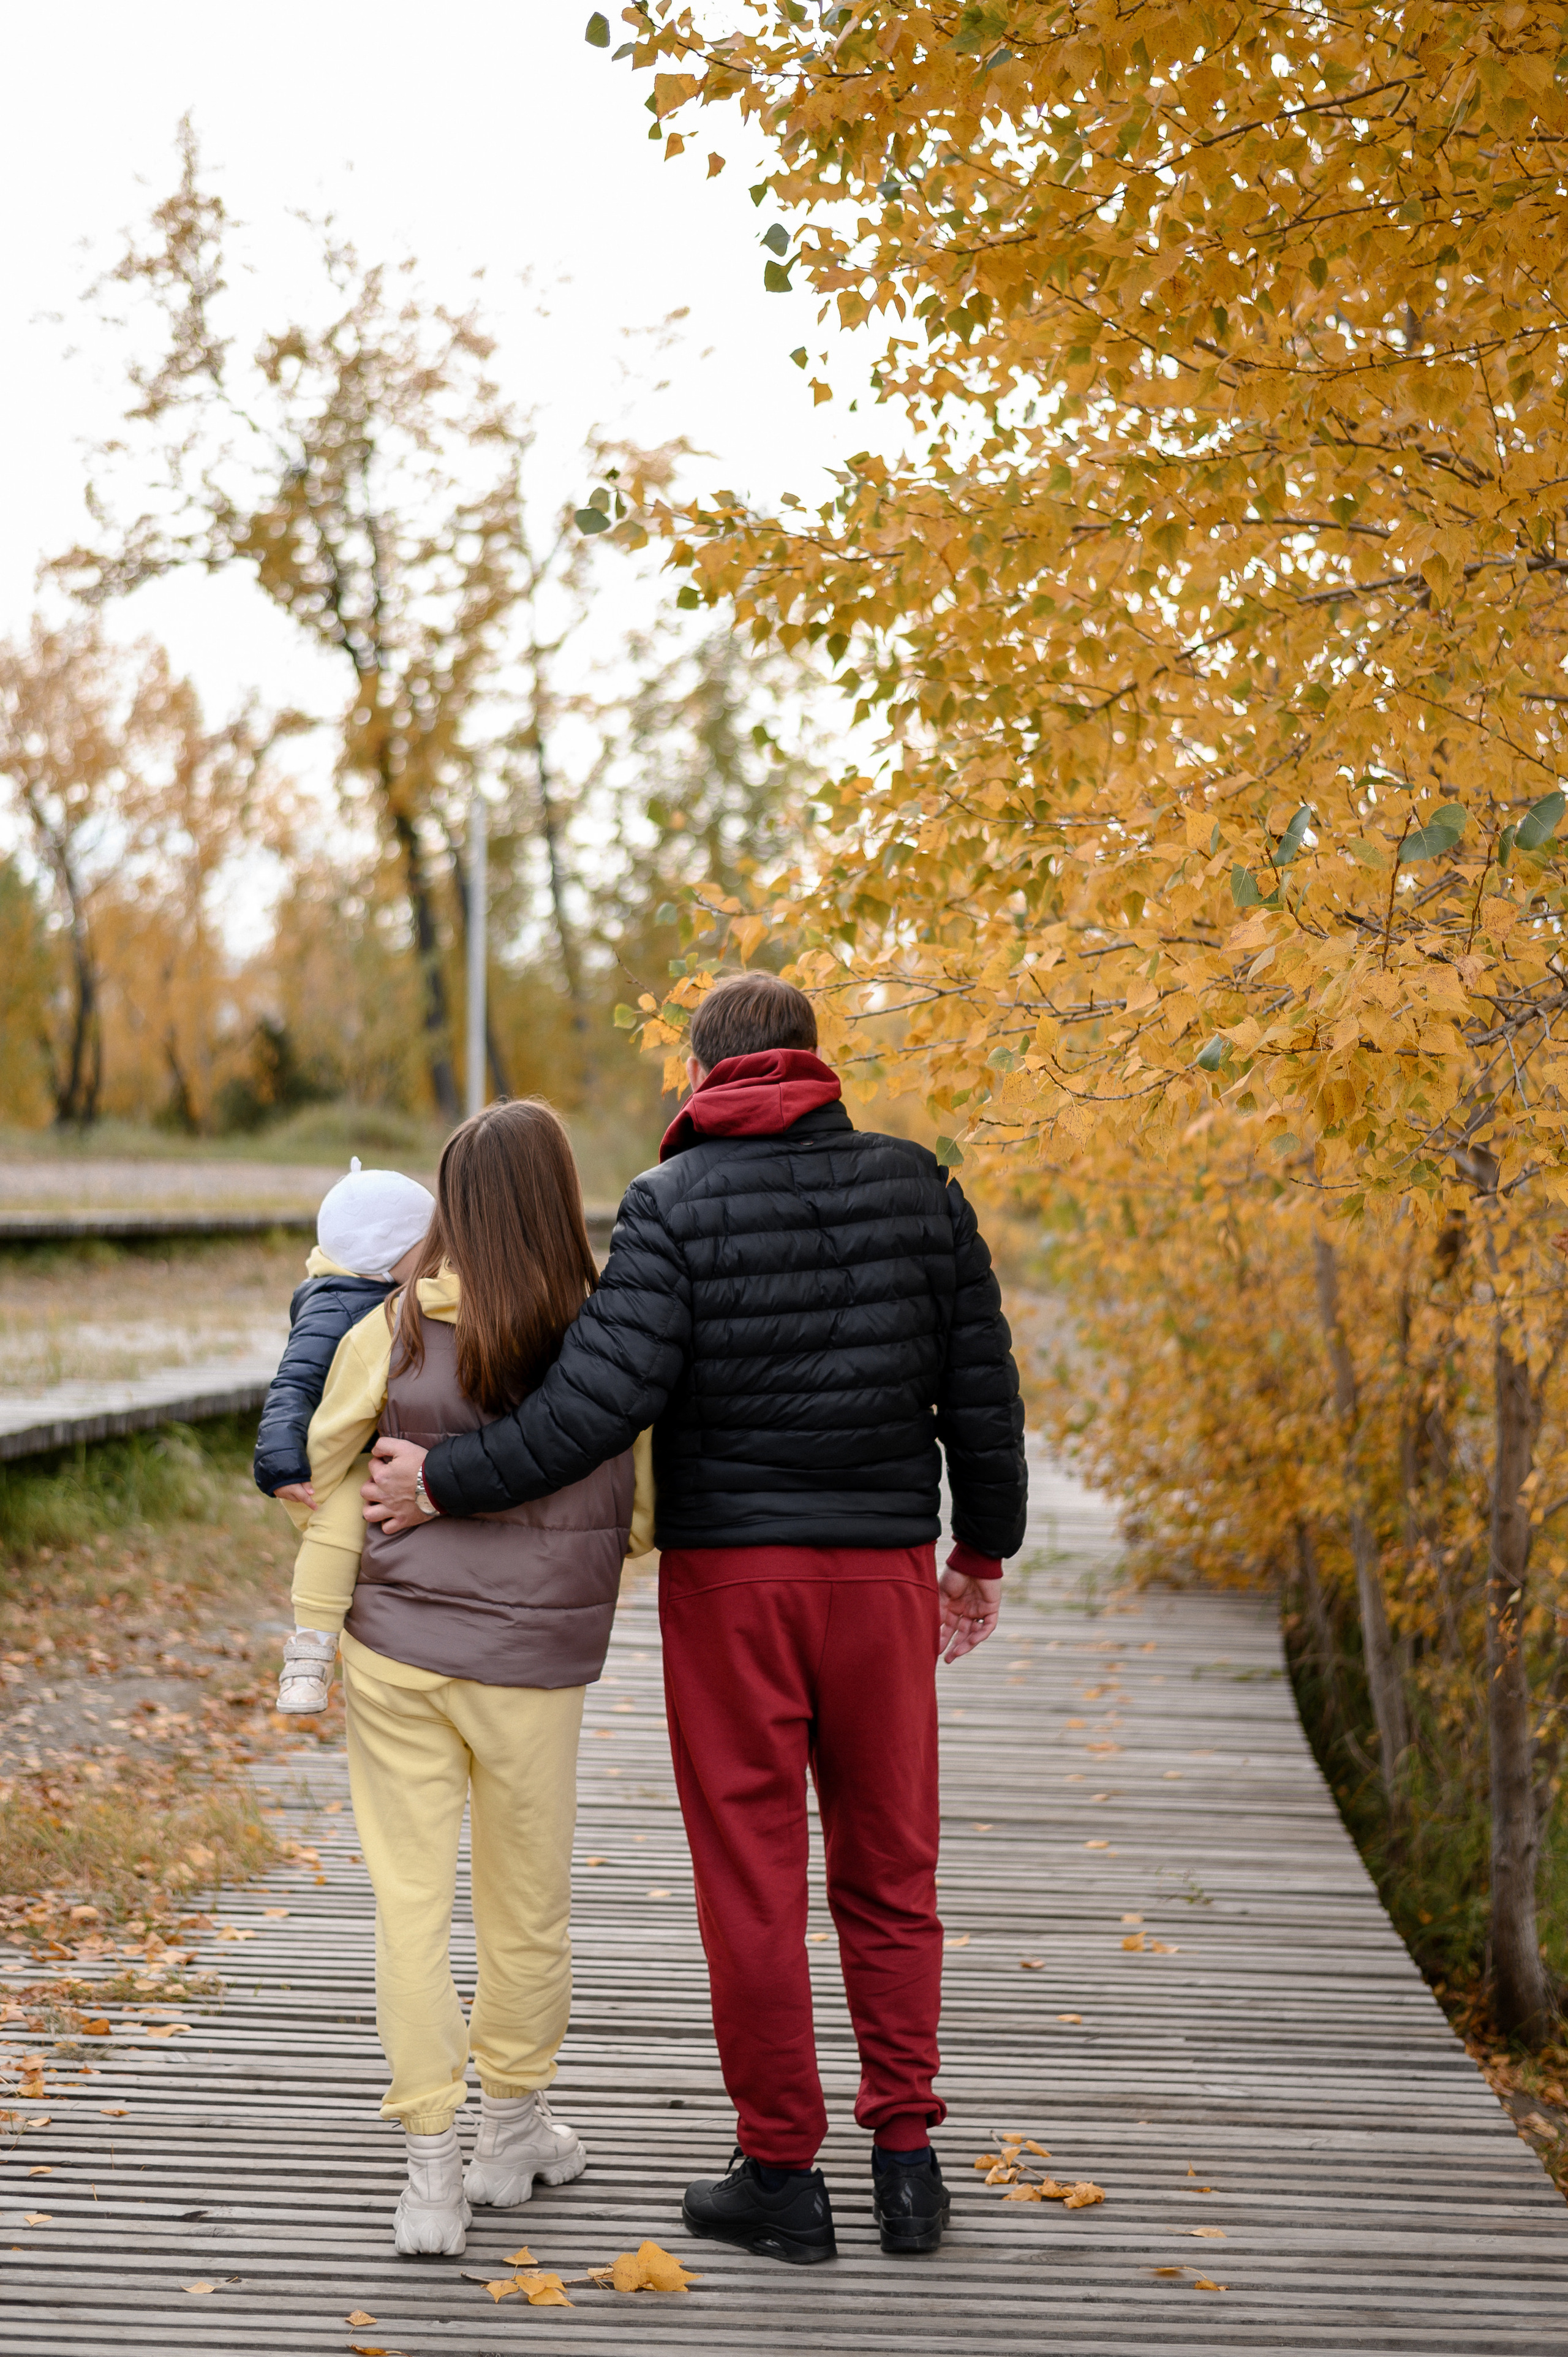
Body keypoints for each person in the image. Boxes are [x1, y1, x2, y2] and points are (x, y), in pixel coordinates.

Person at [363, 973, 1026, 2265]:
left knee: (752, 1878)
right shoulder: (920, 1185)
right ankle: (905, 2162)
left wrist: (440, 1479)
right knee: (891, 1871)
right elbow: (982, 1389)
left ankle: (781, 2172)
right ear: (813, 1063)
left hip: (732, 1587)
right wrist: (977, 1552)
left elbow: (588, 1413)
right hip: (882, 1572)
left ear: (703, 1075)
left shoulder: (671, 1208)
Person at [287, 1100, 654, 2255]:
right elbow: (636, 1515)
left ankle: (430, 2175)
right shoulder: (607, 1341)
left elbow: (318, 1461)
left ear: (447, 1206)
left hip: (397, 1652)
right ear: (559, 1200)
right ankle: (512, 2131)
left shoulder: (385, 1328)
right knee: (526, 1906)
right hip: (535, 1666)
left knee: (411, 1905)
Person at [252, 1157, 435, 1714]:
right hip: (352, 1456)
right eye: (426, 1246)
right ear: (387, 1253)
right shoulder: (334, 1306)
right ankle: (310, 1650)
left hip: (386, 1444)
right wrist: (281, 1460)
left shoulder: (387, 1292)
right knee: (336, 1530)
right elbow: (294, 1383)